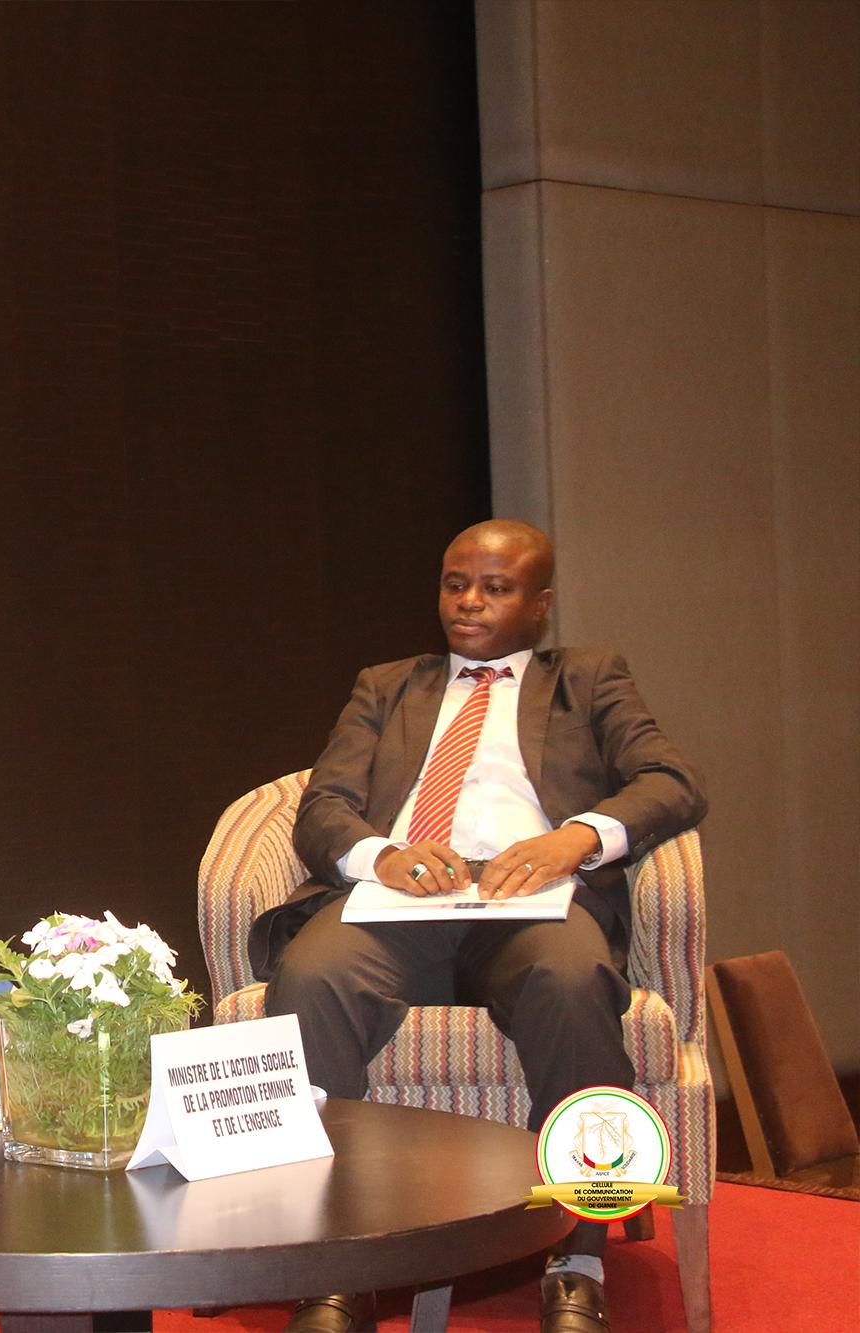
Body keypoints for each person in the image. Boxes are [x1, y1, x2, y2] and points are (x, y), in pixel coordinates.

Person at [254, 520, 705, 1333]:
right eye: (455, 583)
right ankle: (336, 1264)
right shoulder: (386, 685)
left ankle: (578, 1256)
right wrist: (381, 856)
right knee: (312, 976)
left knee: (572, 980)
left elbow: (671, 780)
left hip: (533, 902)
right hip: (403, 902)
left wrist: (576, 837)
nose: (468, 601)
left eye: (495, 588)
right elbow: (323, 806)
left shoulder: (588, 678)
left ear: (540, 603)